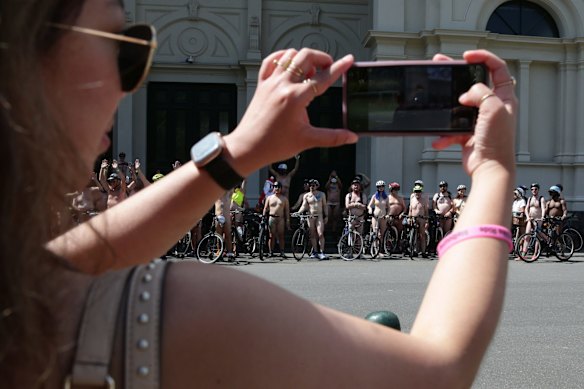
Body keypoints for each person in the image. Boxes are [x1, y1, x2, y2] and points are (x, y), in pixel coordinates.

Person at [1, 2, 517, 386]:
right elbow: (437, 372)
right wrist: (493, 171)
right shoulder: (184, 307)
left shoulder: (23, 285)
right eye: (123, 44)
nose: (131, 82)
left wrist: (236, 153)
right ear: (24, 53)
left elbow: (80, 257)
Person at [299, 179, 328, 259]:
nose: (312, 187)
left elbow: (325, 205)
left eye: (314, 185)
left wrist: (326, 216)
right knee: (312, 234)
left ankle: (322, 252)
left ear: (317, 186)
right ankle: (315, 251)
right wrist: (298, 212)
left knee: (320, 233)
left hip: (319, 215)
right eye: (310, 185)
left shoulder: (322, 194)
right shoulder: (306, 195)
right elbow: (304, 206)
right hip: (310, 216)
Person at [263, 181, 290, 257]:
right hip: (272, 218)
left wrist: (288, 221)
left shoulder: (284, 199)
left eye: (278, 187)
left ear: (281, 188)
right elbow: (265, 208)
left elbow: (287, 211)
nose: (277, 188)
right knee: (271, 236)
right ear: (273, 188)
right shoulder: (269, 198)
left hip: (280, 219)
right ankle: (270, 251)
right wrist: (263, 216)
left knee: (281, 235)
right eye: (275, 186)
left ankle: (282, 251)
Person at [409, 183, 429, 258]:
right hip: (413, 218)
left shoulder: (424, 200)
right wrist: (409, 218)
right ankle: (415, 250)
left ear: (421, 192)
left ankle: (423, 251)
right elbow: (410, 210)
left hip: (422, 219)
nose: (417, 193)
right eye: (416, 191)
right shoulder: (412, 199)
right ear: (414, 192)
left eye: (419, 191)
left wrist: (427, 221)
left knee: (422, 236)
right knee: (414, 235)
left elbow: (426, 211)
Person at [325, 170, 343, 236]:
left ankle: (334, 231)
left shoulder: (338, 185)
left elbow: (341, 185)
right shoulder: (329, 184)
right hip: (329, 202)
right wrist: (330, 178)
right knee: (328, 216)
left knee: (335, 217)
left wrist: (336, 176)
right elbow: (326, 186)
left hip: (336, 203)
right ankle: (326, 230)